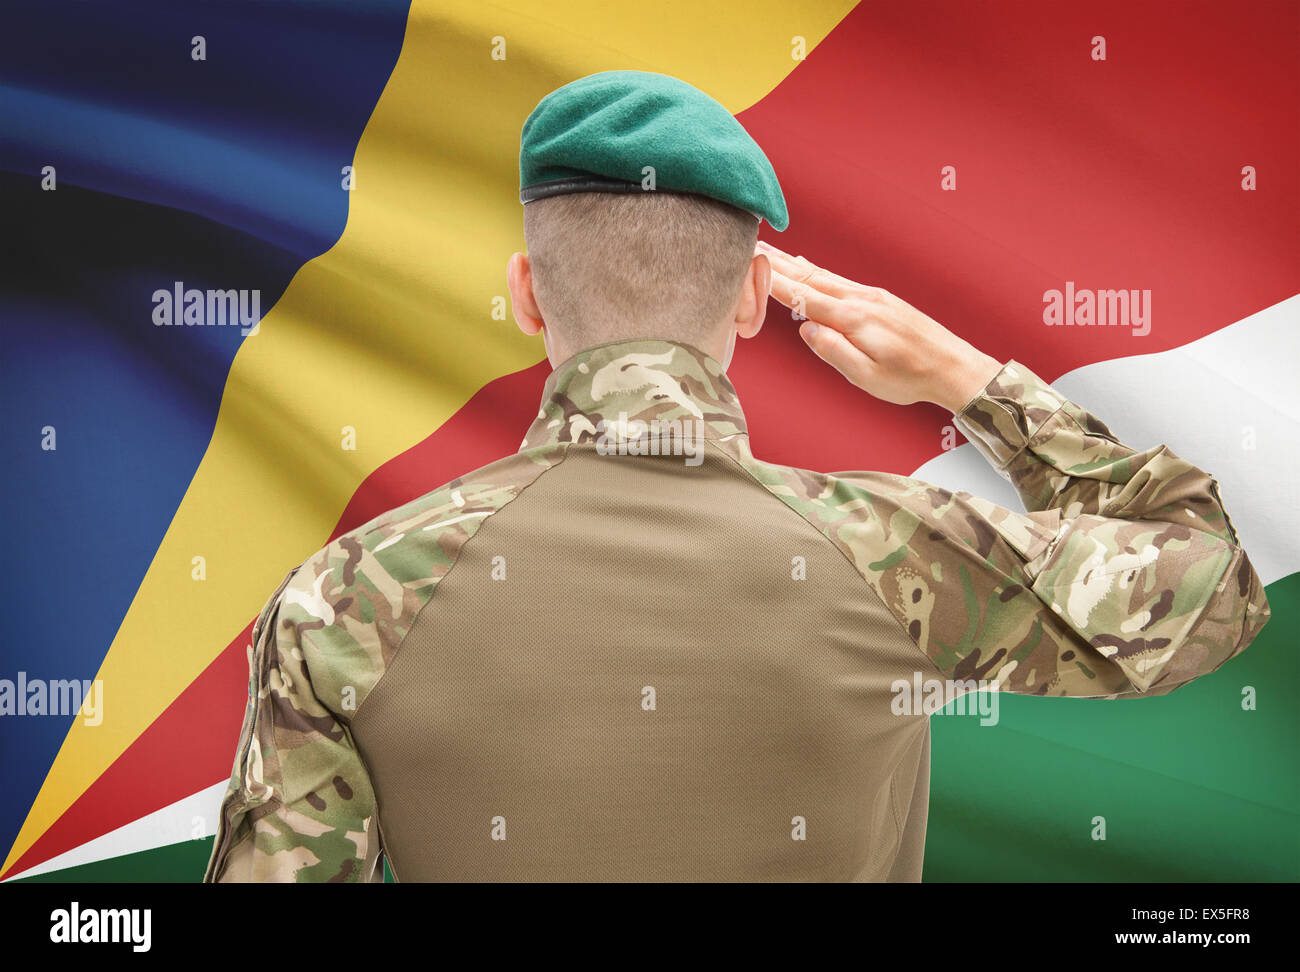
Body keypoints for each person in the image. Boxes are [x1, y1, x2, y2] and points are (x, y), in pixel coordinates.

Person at [204, 70, 1270, 882]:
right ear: (757, 298)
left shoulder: (340, 600)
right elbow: (1212, 585)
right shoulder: (893, 553)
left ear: (528, 295)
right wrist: (970, 380)